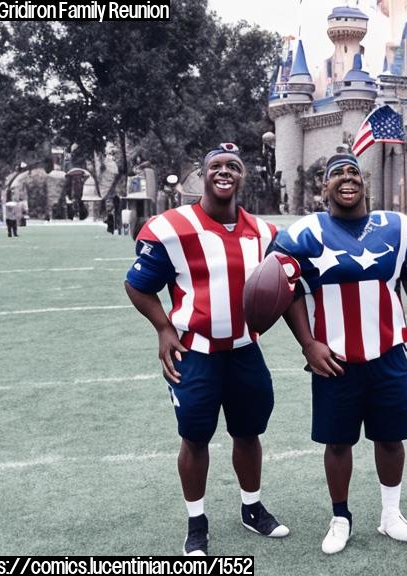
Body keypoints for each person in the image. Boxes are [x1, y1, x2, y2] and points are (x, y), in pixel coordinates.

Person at [123, 143, 290, 556]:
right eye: (216, 165)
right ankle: (196, 522)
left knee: (248, 432)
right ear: (202, 176)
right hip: (194, 351)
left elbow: (288, 285)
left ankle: (251, 508)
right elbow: (137, 284)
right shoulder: (171, 227)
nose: (225, 171)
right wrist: (163, 328)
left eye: (233, 166)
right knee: (195, 437)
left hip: (245, 350)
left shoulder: (266, 233)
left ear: (242, 177)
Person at [270, 150, 407, 555]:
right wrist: (308, 344)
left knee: (392, 439)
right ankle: (340, 517)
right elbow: (281, 289)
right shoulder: (303, 233)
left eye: (353, 173)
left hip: (388, 351)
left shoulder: (397, 228)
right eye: (336, 175)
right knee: (338, 443)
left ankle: (391, 515)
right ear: (323, 187)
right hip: (334, 358)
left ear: (365, 184)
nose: (347, 179)